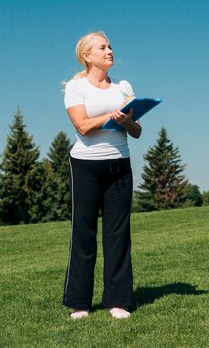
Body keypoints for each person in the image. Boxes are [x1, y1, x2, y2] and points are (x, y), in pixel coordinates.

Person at [62, 31, 142, 320]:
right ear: (87, 56)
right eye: (102, 47)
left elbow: (136, 131)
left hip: (119, 165)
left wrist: (128, 120)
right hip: (85, 165)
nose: (109, 51)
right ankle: (80, 303)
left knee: (118, 234)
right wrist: (114, 116)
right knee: (83, 233)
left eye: (110, 46)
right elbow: (82, 126)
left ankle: (118, 300)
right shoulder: (76, 87)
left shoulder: (123, 87)